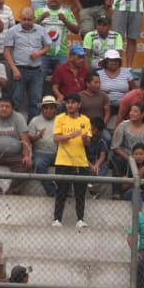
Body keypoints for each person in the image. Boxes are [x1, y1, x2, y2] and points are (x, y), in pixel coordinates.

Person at [51, 92, 93, 228]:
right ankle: (57, 219)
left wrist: (85, 138)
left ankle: (80, 219)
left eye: (73, 102)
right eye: (68, 102)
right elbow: (56, 138)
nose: (70, 105)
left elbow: (88, 142)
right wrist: (70, 135)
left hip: (80, 161)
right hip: (63, 160)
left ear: (79, 105)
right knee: (61, 191)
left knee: (80, 192)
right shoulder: (60, 118)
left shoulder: (85, 120)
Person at [3, 6, 50, 120]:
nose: (26, 22)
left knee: (36, 101)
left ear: (34, 19)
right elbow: (7, 51)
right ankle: (14, 128)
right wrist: (14, 69)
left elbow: (48, 46)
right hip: (19, 69)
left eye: (29, 19)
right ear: (19, 18)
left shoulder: (41, 30)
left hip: (37, 71)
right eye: (24, 19)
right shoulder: (12, 31)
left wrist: (39, 53)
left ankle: (32, 129)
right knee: (16, 100)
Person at [27, 95, 60, 198]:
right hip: (41, 153)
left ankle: (67, 191)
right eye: (46, 108)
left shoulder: (61, 120)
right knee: (40, 165)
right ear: (42, 109)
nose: (49, 110)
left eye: (51, 108)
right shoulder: (35, 121)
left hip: (59, 152)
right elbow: (28, 139)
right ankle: (52, 191)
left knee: (69, 166)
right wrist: (37, 137)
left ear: (55, 109)